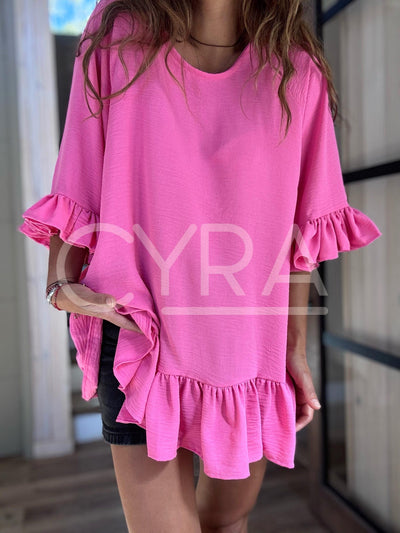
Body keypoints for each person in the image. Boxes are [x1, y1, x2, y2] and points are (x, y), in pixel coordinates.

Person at [18, 0, 382, 531]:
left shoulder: (296, 67)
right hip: (140, 338)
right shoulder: (118, 32)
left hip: (249, 350)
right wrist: (60, 284)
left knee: (228, 519)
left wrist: (294, 347)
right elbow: (80, 173)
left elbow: (303, 227)